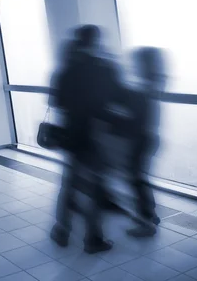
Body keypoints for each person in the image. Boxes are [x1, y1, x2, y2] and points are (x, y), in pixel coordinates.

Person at [50, 25, 124, 254]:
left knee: (69, 184)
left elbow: (57, 102)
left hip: (72, 134)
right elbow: (119, 97)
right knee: (94, 187)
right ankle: (93, 239)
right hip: (98, 135)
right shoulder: (104, 68)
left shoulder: (65, 69)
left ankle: (61, 230)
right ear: (97, 41)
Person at [122, 47, 166, 237]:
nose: (133, 65)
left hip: (141, 139)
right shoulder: (154, 82)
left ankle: (146, 222)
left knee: (136, 180)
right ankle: (150, 215)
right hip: (149, 138)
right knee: (140, 179)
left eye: (136, 62)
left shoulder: (143, 88)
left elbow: (135, 117)